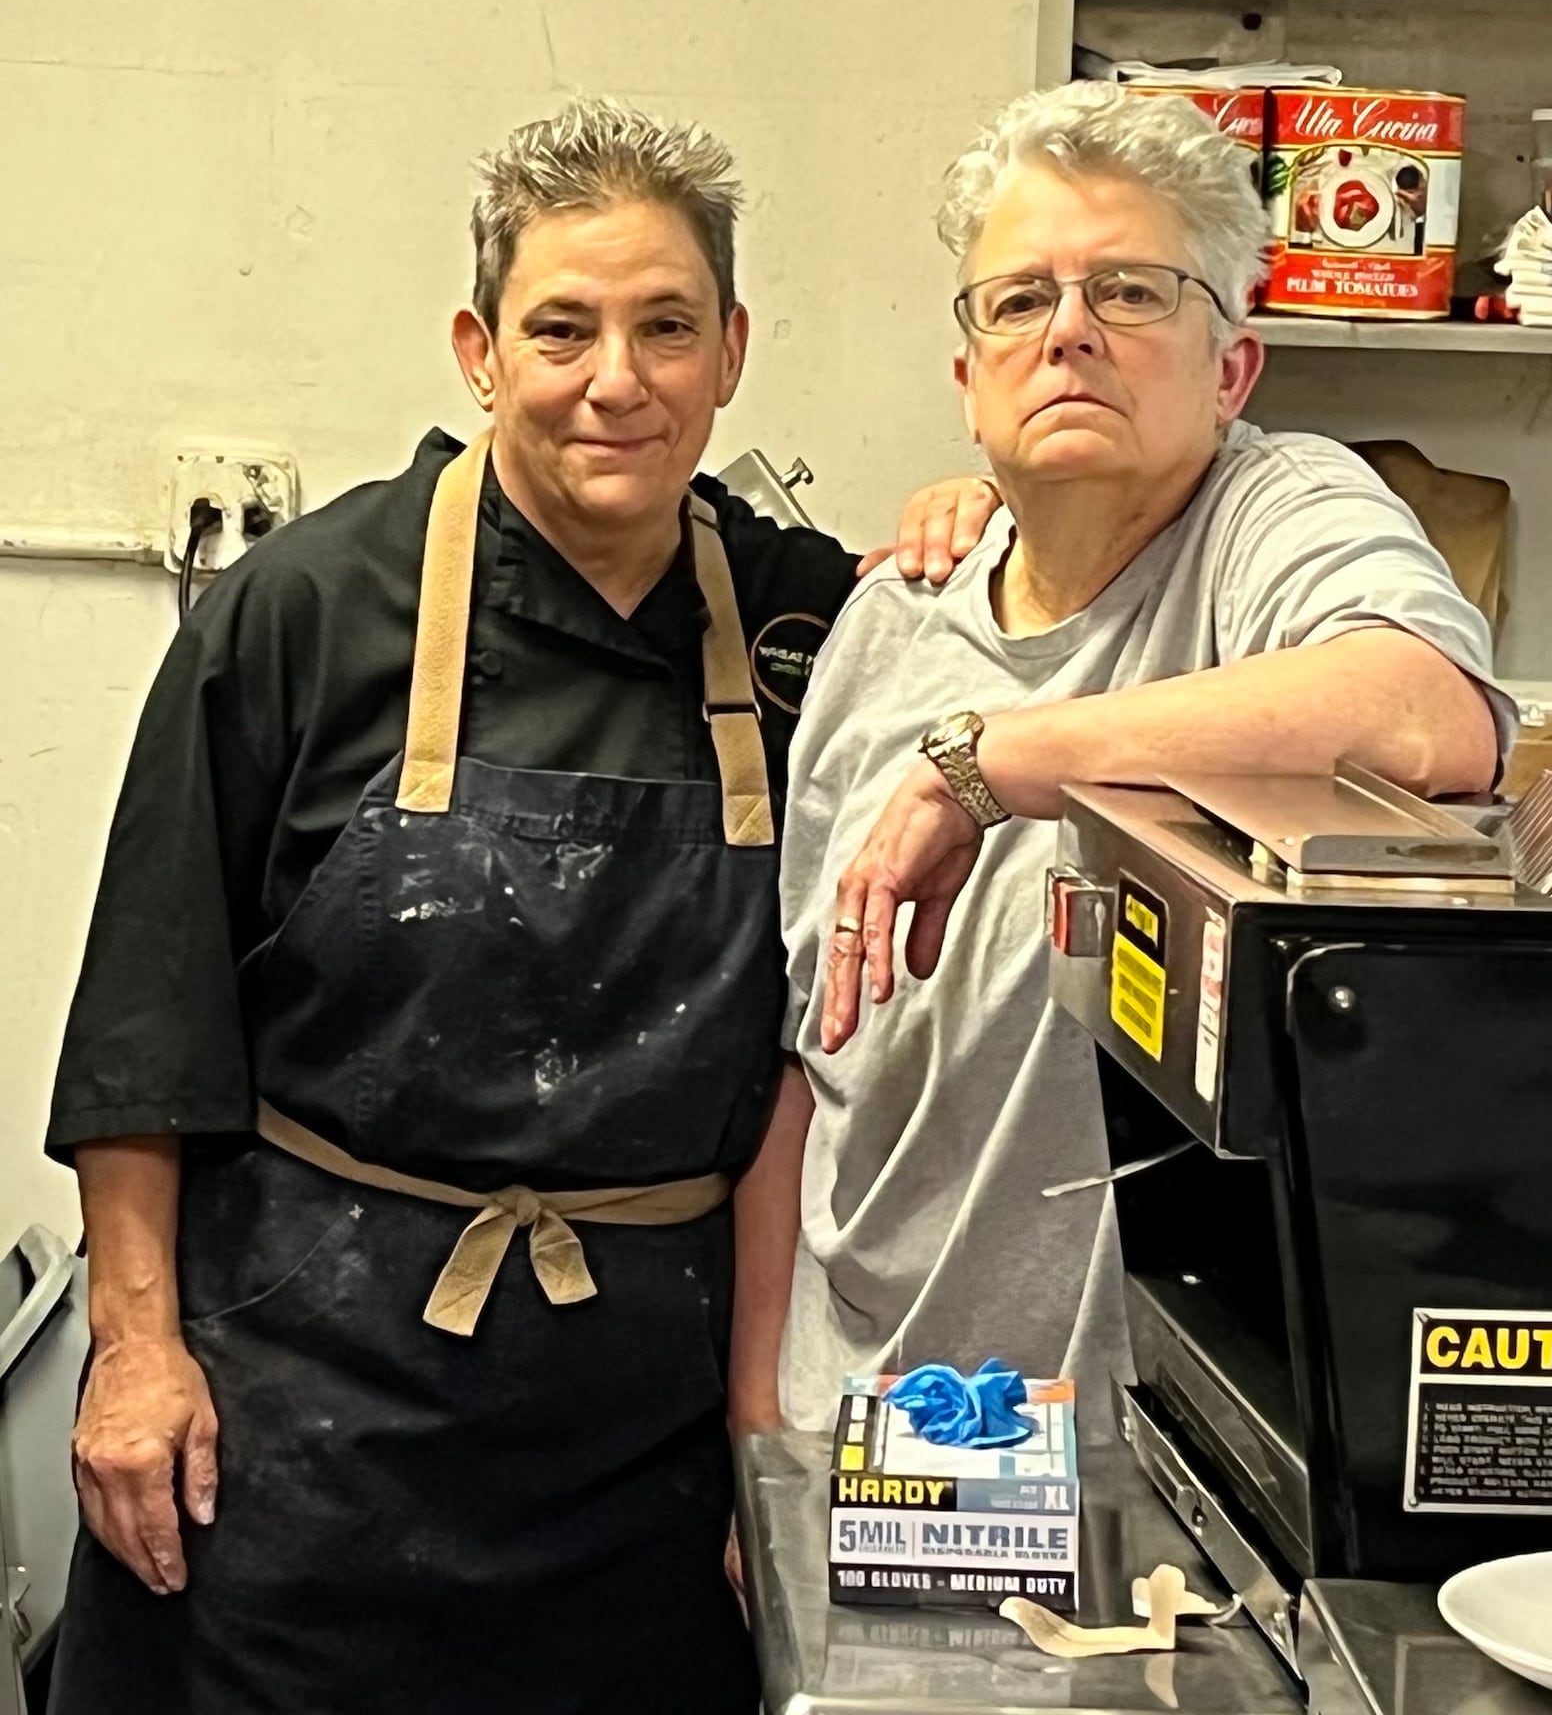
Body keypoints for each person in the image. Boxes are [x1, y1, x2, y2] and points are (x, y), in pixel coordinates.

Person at [42, 97, 998, 1715]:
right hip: (301, 1432)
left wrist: (972, 538)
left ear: (733, 350)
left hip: (644, 1450)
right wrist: (136, 1356)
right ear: (482, 349)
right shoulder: (307, 611)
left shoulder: (807, 621)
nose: (614, 380)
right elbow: (151, 1018)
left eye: (665, 327)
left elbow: (811, 1048)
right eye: (563, 328)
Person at [771, 83, 1515, 1445]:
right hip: (864, 1427)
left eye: (1128, 291)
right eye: (1021, 300)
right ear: (968, 380)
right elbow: (803, 1063)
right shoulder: (886, 625)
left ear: (1232, 367)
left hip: (1136, 1475)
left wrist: (995, 765)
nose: (1069, 332)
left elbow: (1429, 712)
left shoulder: (1270, 520)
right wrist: (764, 1429)